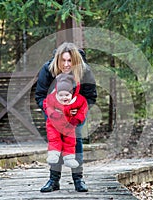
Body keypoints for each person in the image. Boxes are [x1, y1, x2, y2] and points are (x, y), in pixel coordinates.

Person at [35, 42, 97, 192]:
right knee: (56, 141)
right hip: (54, 112)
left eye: (70, 60)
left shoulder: (85, 71)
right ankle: (54, 180)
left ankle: (78, 179)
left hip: (76, 112)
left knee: (76, 137)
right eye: (63, 60)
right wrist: (51, 112)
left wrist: (78, 113)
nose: (66, 64)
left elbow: (91, 96)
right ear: (58, 60)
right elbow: (40, 95)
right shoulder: (48, 70)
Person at [43, 73, 88, 169]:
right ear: (57, 94)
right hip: (54, 124)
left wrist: (77, 119)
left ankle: (69, 158)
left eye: (67, 95)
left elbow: (83, 109)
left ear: (72, 93)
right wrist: (52, 113)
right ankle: (53, 154)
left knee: (70, 141)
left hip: (69, 125)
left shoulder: (78, 100)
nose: (64, 98)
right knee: (54, 138)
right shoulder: (52, 98)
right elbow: (46, 104)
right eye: (61, 95)